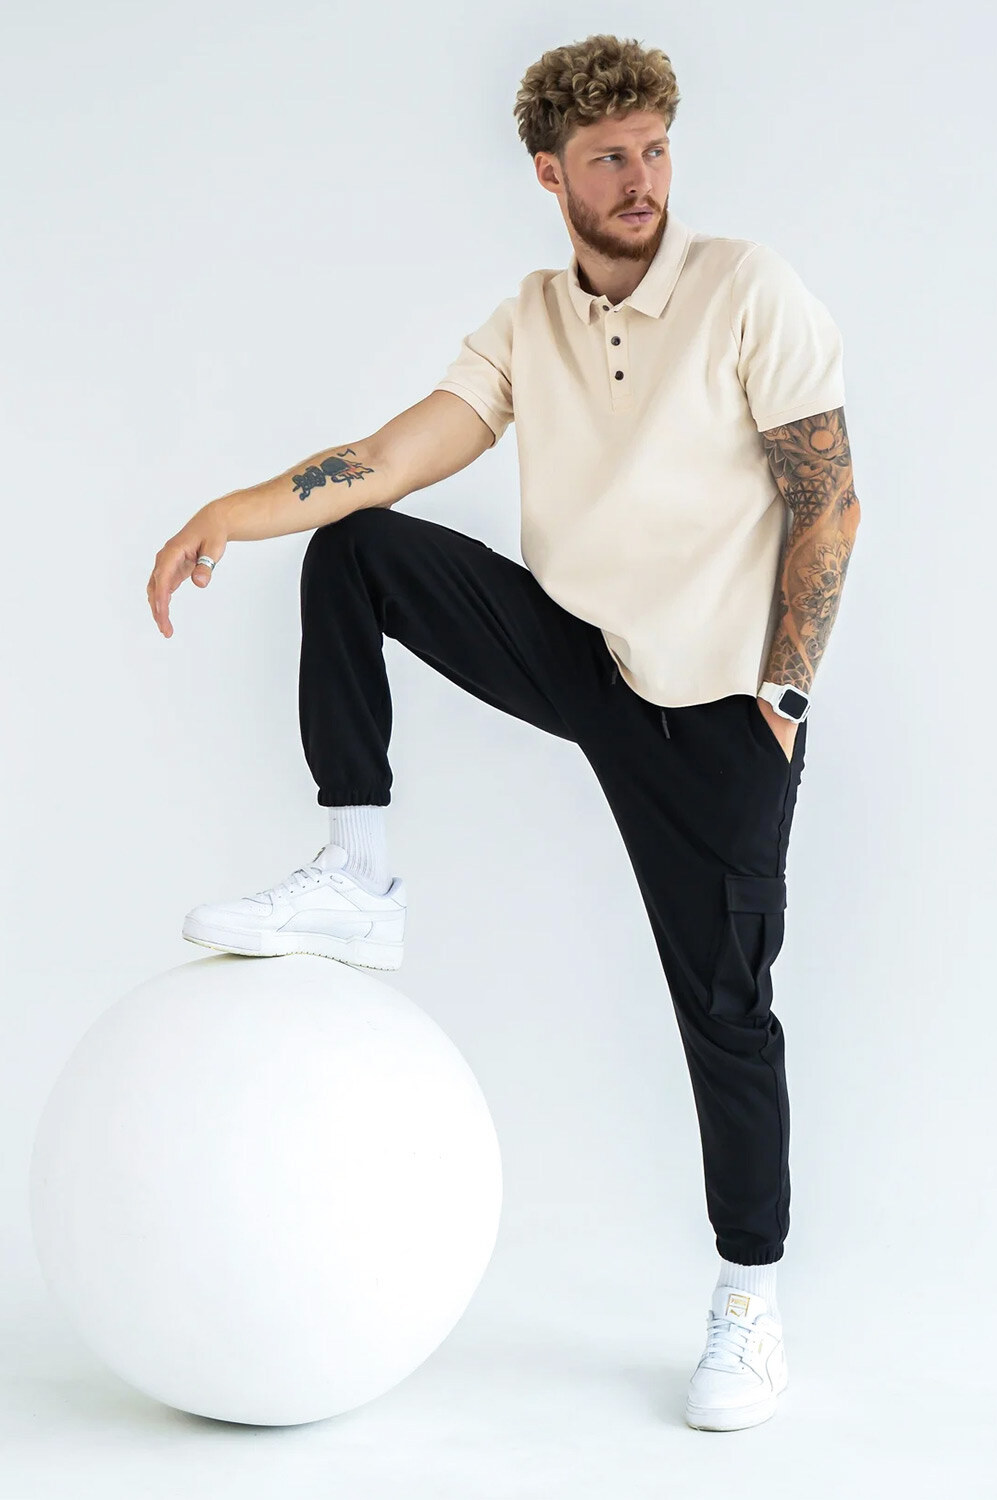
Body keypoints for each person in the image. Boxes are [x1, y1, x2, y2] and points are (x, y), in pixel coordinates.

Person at [146, 34, 860, 1433]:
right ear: (550, 174)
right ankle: (357, 874)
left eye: (655, 149)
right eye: (608, 158)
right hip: (583, 655)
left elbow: (825, 497)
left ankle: (749, 1297)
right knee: (358, 550)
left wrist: (784, 694)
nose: (641, 179)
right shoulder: (530, 319)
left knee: (727, 1012)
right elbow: (390, 458)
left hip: (720, 712)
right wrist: (229, 510)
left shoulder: (747, 290)